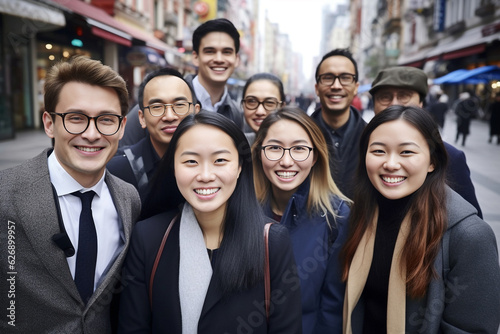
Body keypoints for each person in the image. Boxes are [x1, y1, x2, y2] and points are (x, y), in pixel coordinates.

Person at [118, 112, 302, 333]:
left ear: (240, 166)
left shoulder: (271, 242)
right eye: (191, 161)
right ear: (173, 167)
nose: (205, 175)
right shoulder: (148, 238)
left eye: (220, 160)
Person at [0, 56, 141, 333]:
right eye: (76, 118)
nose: (91, 133)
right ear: (49, 123)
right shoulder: (5, 194)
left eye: (106, 119)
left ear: (122, 127)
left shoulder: (129, 199)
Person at [341, 105, 500, 333]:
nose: (391, 164)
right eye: (378, 151)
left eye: (406, 152)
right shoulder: (358, 216)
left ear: (432, 161)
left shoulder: (469, 236)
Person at [252, 107, 351, 333]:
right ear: (259, 152)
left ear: (315, 155)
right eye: (275, 148)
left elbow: (332, 308)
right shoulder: (239, 210)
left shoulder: (337, 217)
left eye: (299, 149)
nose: (286, 161)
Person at [370, 66, 483, 218]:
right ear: (374, 104)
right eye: (385, 97)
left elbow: (471, 224)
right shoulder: (362, 149)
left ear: (421, 103)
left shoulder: (450, 157)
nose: (394, 104)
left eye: (404, 96)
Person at [119, 18, 244, 147]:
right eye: (210, 51)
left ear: (236, 59)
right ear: (195, 57)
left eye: (227, 52)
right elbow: (121, 155)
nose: (219, 59)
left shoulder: (236, 114)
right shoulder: (157, 100)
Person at [107, 68, 200, 203]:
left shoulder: (211, 164)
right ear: (142, 118)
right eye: (157, 107)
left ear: (196, 112)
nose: (169, 116)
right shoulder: (118, 170)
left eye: (179, 105)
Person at [310, 48, 366, 199]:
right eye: (328, 78)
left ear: (356, 87)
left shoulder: (372, 138)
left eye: (345, 78)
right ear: (317, 88)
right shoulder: (301, 136)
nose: (336, 85)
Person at [242, 72, 285, 144]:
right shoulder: (235, 145)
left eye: (269, 103)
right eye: (252, 101)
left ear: (282, 107)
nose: (260, 111)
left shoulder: (296, 148)